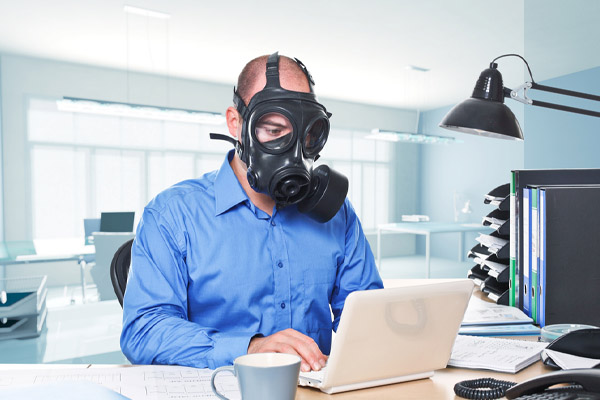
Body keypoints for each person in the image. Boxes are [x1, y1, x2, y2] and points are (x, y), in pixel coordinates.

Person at [120, 52, 383, 373]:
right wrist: (250, 348)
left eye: (306, 134)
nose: (292, 152)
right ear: (236, 123)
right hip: (219, 387)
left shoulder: (338, 215)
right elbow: (143, 329)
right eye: (273, 131)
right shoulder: (172, 214)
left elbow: (368, 318)